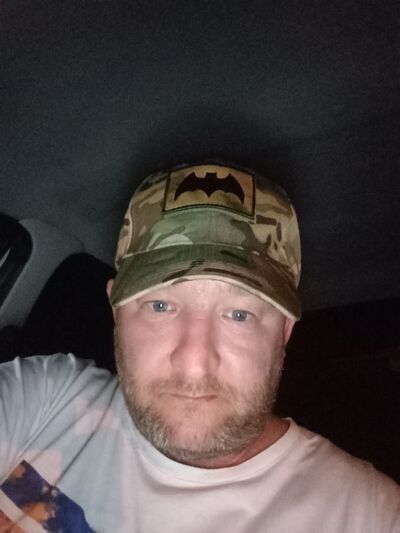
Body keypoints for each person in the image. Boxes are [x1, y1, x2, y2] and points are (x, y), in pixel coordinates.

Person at [0, 162, 398, 532]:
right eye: (160, 306)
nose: (193, 363)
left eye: (239, 315)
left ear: (284, 333)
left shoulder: (367, 515)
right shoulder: (43, 399)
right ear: (116, 311)